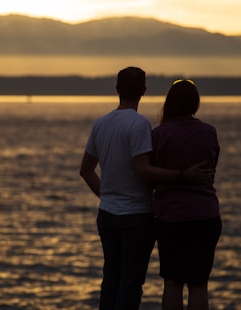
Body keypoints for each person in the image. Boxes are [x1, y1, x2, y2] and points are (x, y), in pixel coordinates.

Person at [79, 67, 213, 310]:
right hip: (136, 215)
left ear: (117, 89)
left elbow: (86, 170)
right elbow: (143, 170)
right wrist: (184, 175)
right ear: (143, 90)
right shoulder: (140, 124)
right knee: (130, 283)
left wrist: (107, 196)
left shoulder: (101, 123)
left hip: (107, 214)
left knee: (111, 279)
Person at [151, 79, 222, 310]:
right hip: (206, 216)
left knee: (172, 283)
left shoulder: (158, 135)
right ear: (195, 103)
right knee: (199, 284)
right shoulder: (209, 132)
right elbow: (212, 170)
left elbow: (150, 176)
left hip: (172, 217)